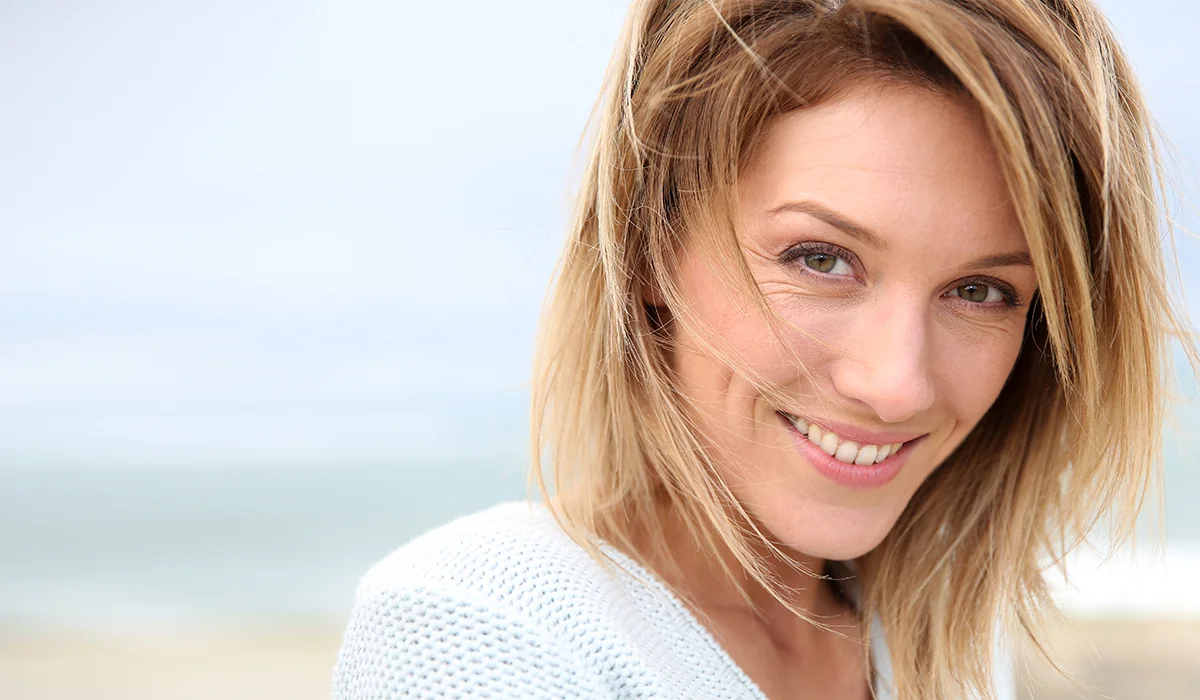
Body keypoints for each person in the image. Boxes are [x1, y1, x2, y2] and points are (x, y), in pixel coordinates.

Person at [333, 1, 1197, 698]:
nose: (896, 385)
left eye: (980, 291)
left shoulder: (942, 649)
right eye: (821, 260)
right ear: (646, 248)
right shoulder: (479, 624)